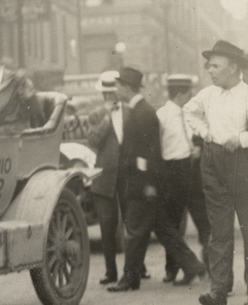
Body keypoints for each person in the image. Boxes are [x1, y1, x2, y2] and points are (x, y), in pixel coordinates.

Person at [108, 67, 206, 293]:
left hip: (143, 185)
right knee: (163, 230)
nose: (116, 90)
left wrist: (148, 184)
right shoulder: (141, 111)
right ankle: (192, 266)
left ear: (126, 87)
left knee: (135, 232)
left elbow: (149, 154)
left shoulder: (143, 114)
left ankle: (129, 279)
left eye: (118, 86)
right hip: (145, 184)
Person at [184, 40, 248, 305]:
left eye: (216, 65)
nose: (210, 71)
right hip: (213, 163)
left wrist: (241, 138)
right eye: (209, 66)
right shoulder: (207, 95)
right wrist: (206, 134)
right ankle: (219, 289)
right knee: (219, 230)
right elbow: (189, 112)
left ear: (233, 67)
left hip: (243, 163)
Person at [156, 74, 203, 284]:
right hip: (172, 171)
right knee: (173, 222)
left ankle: (204, 266)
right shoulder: (162, 116)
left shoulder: (190, 113)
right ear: (179, 94)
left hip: (192, 169)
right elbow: (156, 146)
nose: (191, 96)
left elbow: (200, 133)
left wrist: (198, 147)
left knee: (201, 218)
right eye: (188, 93)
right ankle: (172, 269)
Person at [86, 70, 125, 285]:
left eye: (113, 94)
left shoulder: (129, 112)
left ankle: (137, 268)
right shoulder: (95, 115)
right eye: (106, 94)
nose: (110, 98)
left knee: (132, 225)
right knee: (107, 227)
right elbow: (92, 141)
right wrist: (106, 118)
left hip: (126, 177)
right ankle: (111, 272)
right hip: (104, 179)